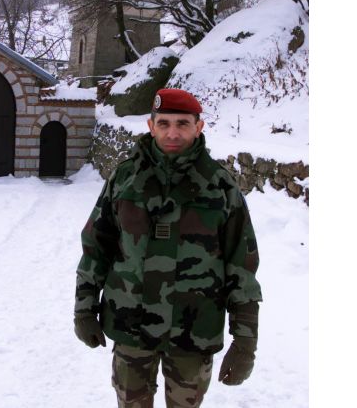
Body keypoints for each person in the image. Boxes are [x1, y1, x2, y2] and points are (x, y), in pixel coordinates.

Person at [74, 88, 262, 408]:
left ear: (198, 127)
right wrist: (84, 309)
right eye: (164, 123)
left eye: (182, 124)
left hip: (194, 330)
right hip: (130, 325)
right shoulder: (125, 178)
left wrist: (245, 340)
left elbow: (241, 266)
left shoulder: (219, 186)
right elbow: (96, 247)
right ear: (151, 126)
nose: (172, 133)